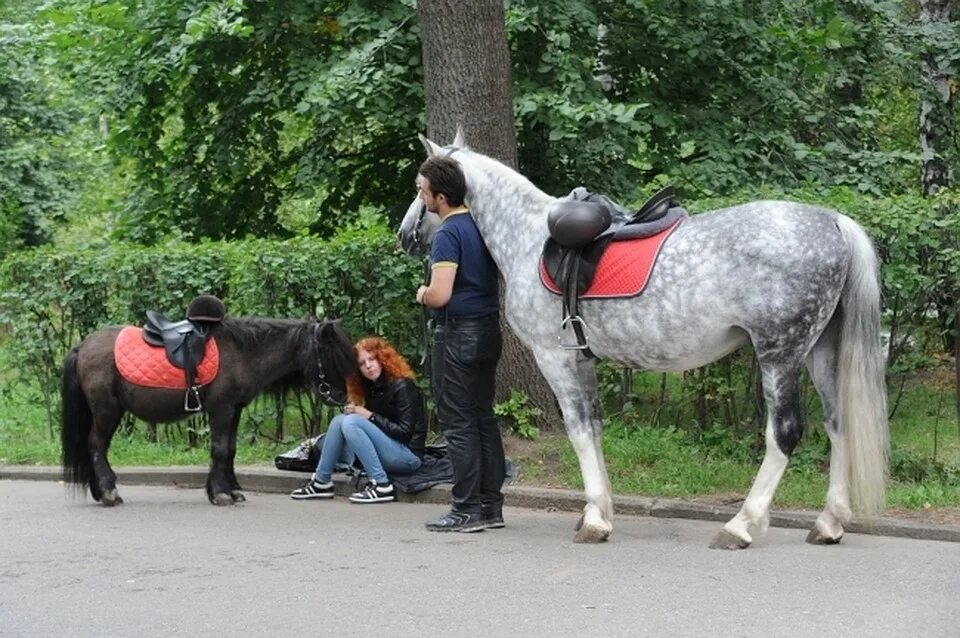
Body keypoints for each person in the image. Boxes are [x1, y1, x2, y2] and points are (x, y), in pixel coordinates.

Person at [415, 155, 506, 533]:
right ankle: (490, 506)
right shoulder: (480, 226)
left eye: (423, 192)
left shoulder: (448, 233)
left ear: (440, 195)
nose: (422, 199)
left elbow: (440, 294)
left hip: (457, 335)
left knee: (458, 423)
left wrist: (422, 293)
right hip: (487, 330)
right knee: (483, 417)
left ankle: (465, 508)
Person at [291, 337, 426, 504]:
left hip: (409, 457)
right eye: (362, 364)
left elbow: (404, 433)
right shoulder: (373, 388)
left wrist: (368, 415)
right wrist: (361, 414)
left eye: (372, 359)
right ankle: (322, 481)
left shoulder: (403, 386)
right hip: (390, 451)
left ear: (383, 358)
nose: (368, 366)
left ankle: (382, 485)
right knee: (340, 420)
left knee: (351, 421)